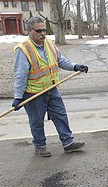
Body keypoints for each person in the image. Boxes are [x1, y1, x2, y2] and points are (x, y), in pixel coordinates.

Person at [12, 16, 89, 157]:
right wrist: (18, 97)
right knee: (37, 122)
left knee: (60, 115)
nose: (43, 33)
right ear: (30, 30)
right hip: (33, 94)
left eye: (44, 30)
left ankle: (68, 143)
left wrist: (75, 66)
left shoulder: (48, 43)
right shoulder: (23, 50)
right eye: (39, 30)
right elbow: (20, 75)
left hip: (51, 88)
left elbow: (60, 60)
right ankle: (40, 146)